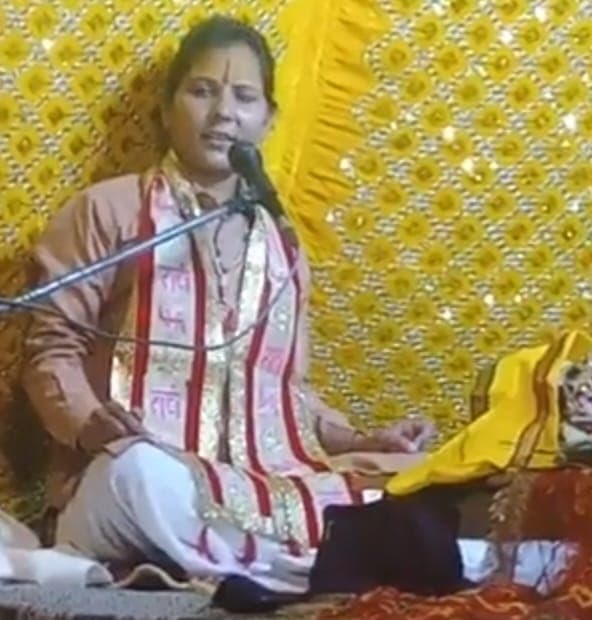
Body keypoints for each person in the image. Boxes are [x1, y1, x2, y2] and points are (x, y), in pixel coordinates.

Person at [21, 16, 434, 590]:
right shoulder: (108, 210)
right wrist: (89, 425)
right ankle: (318, 565)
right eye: (201, 91)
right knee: (144, 474)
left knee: (418, 477)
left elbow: (283, 392)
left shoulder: (283, 245)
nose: (223, 114)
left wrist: (362, 442)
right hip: (131, 476)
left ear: (267, 120)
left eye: (244, 97)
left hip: (255, 479)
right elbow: (51, 350)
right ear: (166, 110)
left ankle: (271, 563)